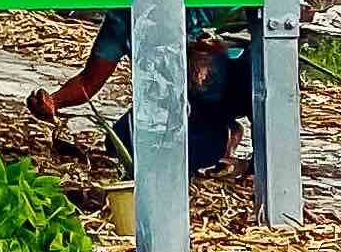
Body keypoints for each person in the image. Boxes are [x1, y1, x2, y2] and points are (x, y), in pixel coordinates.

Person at [32, 9, 255, 173]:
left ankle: (251, 156)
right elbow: (88, 81)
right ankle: (222, 138)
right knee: (122, 142)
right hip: (179, 104)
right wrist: (54, 101)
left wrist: (216, 51)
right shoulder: (122, 20)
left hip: (230, 84)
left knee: (252, 72)